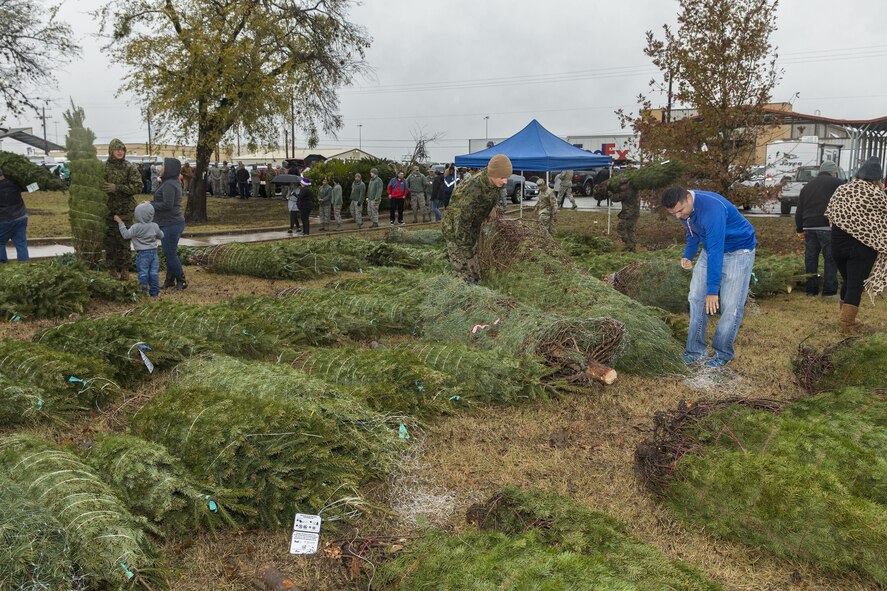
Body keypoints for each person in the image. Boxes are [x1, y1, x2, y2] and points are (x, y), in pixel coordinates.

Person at [662, 185, 757, 367]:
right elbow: (692, 232)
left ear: (689, 199)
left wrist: (712, 290)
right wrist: (688, 255)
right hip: (711, 249)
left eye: (680, 211)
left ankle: (723, 353)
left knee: (731, 306)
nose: (678, 216)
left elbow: (716, 250)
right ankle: (695, 350)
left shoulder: (712, 210)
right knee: (696, 297)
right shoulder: (685, 211)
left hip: (739, 251)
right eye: (673, 213)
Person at [825, 155, 887, 334]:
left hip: (837, 245)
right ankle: (847, 324)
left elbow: (830, 213)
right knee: (855, 284)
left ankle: (845, 316)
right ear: (877, 178)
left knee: (848, 281)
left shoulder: (841, 190)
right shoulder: (877, 195)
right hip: (861, 249)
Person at [441, 154, 512, 282]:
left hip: (472, 229)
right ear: (492, 173)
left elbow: (490, 208)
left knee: (475, 271)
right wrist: (467, 252)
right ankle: (461, 294)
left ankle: (474, 280)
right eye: (502, 177)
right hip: (456, 232)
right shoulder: (472, 190)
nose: (505, 181)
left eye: (507, 177)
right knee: (463, 272)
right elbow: (461, 224)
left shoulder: (493, 185)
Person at [796, 161, 843, 297]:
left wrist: (799, 229)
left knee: (811, 259)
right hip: (828, 227)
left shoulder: (807, 187)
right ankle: (829, 291)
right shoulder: (838, 184)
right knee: (830, 259)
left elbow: (799, 210)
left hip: (809, 226)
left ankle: (811, 290)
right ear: (833, 172)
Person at [103, 139, 143, 280]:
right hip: (108, 211)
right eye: (117, 149)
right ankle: (112, 269)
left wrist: (118, 187)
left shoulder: (129, 167)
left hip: (125, 211)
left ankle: (125, 269)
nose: (120, 152)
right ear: (111, 151)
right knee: (109, 242)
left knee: (124, 241)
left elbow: (138, 187)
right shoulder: (104, 168)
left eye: (122, 149)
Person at [152, 157, 187, 289]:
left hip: (171, 224)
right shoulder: (169, 182)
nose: (160, 168)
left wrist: (151, 205)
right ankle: (170, 280)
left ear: (170, 168)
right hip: (167, 223)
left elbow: (167, 205)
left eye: (163, 165)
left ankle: (181, 279)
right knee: (169, 253)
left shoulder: (170, 184)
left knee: (170, 253)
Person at [114, 203, 163, 297]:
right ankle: (155, 293)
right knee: (153, 273)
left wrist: (120, 222)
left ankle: (143, 293)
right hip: (154, 253)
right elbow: (161, 236)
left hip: (142, 254)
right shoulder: (155, 226)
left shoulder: (136, 227)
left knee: (143, 273)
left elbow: (126, 235)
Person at [0, 167, 29, 263]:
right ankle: (24, 265)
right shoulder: (14, 183)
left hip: (4, 220)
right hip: (21, 217)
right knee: (21, 243)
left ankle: (2, 264)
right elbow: (32, 187)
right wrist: (41, 183)